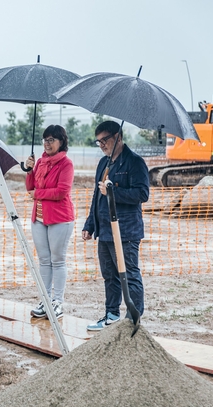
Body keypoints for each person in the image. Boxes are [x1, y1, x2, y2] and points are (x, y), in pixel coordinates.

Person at [82, 120, 149, 331]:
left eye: (105, 140)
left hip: (126, 230)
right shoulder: (104, 163)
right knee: (109, 275)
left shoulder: (135, 162)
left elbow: (142, 194)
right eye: (98, 141)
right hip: (104, 230)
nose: (102, 145)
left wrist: (114, 192)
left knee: (128, 273)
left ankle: (133, 318)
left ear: (118, 137)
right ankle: (111, 315)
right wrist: (90, 224)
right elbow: (97, 196)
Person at [25, 125, 75, 319]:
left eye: (51, 140)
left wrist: (38, 194)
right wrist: (29, 171)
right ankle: (45, 300)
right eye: (45, 140)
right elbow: (30, 188)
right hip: (38, 218)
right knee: (44, 261)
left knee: (58, 260)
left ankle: (57, 302)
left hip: (59, 218)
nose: (47, 143)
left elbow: (62, 191)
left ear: (61, 142)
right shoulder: (40, 162)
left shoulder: (66, 164)